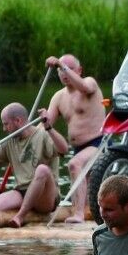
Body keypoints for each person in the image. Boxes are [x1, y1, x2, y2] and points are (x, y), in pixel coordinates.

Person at [0, 102, 70, 227]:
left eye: (6, 124)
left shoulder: (42, 134)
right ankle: (21, 211)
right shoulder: (9, 141)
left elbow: (64, 149)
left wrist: (49, 127)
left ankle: (20, 216)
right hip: (22, 192)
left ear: (18, 120)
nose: (4, 129)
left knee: (42, 170)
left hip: (45, 197)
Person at [42, 54, 108, 223]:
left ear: (79, 70)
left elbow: (85, 87)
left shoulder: (90, 83)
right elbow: (46, 123)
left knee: (74, 164)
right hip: (79, 148)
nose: (64, 73)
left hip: (99, 143)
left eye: (69, 68)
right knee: (83, 185)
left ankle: (78, 214)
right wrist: (41, 120)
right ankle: (80, 211)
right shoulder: (58, 96)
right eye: (61, 69)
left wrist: (60, 63)